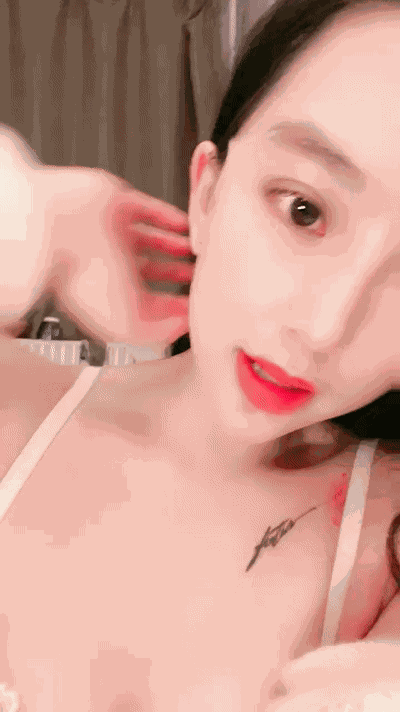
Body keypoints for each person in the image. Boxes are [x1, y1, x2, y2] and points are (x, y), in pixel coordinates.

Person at [1, 1, 400, 710]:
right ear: (208, 191)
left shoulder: (386, 547)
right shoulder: (13, 407)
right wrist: (32, 216)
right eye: (303, 210)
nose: (324, 327)